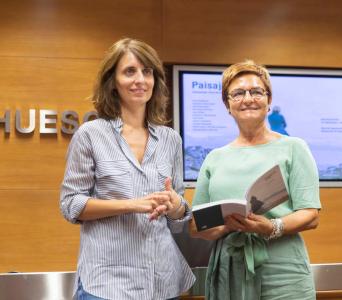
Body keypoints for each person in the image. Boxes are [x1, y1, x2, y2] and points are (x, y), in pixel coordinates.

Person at [60, 38, 195, 300]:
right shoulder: (90, 135)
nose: (140, 80)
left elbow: (178, 218)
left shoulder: (171, 139)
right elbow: (70, 204)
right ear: (113, 81)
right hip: (107, 285)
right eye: (129, 71)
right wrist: (132, 205)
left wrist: (175, 204)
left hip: (163, 282)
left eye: (147, 72)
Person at [190, 60, 321, 300]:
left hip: (283, 272)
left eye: (256, 92)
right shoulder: (214, 158)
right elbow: (197, 226)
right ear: (227, 104)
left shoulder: (294, 148)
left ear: (268, 101)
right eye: (238, 93)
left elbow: (310, 214)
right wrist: (228, 224)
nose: (248, 98)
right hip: (230, 271)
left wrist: (271, 227)